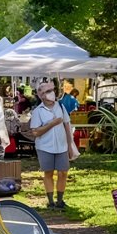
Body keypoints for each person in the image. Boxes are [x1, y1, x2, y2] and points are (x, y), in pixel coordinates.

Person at [28, 79, 74, 209]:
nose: (51, 93)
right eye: (47, 91)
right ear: (41, 95)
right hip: (45, 147)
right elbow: (35, 132)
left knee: (63, 172)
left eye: (51, 90)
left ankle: (60, 200)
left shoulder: (60, 106)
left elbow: (67, 126)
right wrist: (51, 124)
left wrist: (70, 145)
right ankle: (51, 201)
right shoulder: (38, 111)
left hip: (62, 145)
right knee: (48, 172)